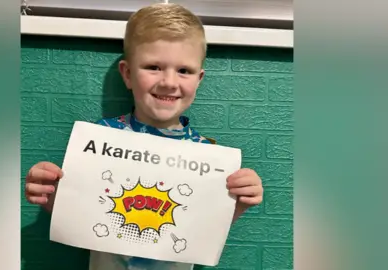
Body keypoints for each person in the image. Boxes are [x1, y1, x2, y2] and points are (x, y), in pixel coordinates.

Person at [24, 3, 264, 270]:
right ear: (127, 74)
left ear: (199, 79)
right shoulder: (101, 138)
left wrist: (239, 201)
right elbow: (78, 216)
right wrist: (50, 194)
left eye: (184, 71)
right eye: (153, 67)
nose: (169, 82)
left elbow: (205, 228)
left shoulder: (208, 154)